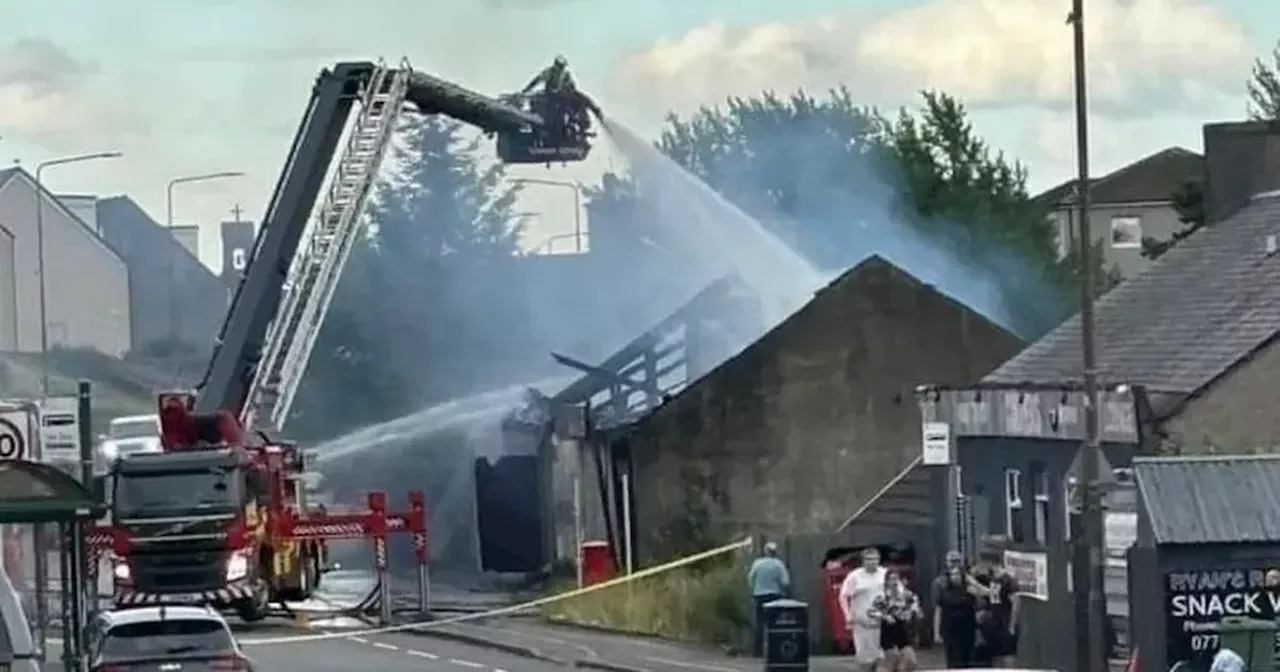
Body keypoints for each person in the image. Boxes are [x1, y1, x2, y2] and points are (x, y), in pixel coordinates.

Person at [968, 548, 1019, 667]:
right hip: (994, 623)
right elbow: (989, 593)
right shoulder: (993, 579)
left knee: (1008, 654)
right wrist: (973, 584)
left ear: (989, 563)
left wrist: (1012, 626)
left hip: (1005, 622)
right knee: (996, 655)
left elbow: (1016, 603)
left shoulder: (1008, 580)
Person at [840, 547, 888, 672]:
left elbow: (897, 592)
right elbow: (843, 596)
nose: (872, 562)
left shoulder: (885, 574)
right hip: (862, 623)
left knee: (883, 658)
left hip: (883, 623)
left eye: (875, 559)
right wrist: (847, 616)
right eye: (869, 559)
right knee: (865, 659)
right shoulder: (855, 576)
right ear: (863, 561)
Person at [870, 568, 923, 672]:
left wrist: (913, 611)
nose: (894, 582)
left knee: (910, 661)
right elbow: (871, 612)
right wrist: (885, 616)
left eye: (896, 579)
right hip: (888, 630)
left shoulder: (906, 595)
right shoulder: (882, 596)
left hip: (903, 630)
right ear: (887, 581)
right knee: (891, 660)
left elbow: (916, 606)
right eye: (891, 579)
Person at [747, 541, 790, 657]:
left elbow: (750, 578)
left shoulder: (757, 563)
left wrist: (753, 590)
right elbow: (786, 582)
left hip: (759, 596)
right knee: (775, 624)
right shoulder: (779, 564)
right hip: (774, 596)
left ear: (766, 551)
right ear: (775, 552)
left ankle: (757, 652)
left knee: (760, 623)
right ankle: (775, 651)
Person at [933, 564, 977, 668]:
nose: (955, 576)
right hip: (950, 630)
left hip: (967, 630)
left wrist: (974, 584)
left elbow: (982, 600)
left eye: (957, 574)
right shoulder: (945, 591)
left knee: (967, 660)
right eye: (952, 574)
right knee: (954, 660)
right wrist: (936, 632)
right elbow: (938, 610)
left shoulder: (969, 590)